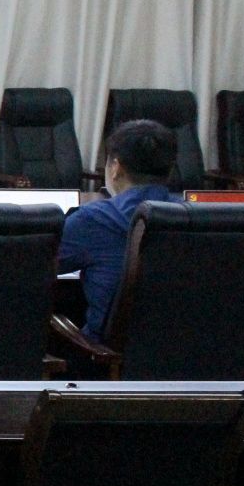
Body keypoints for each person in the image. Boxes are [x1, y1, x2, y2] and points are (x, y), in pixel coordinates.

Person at [58, 118, 177, 342]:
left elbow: (37, 265)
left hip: (105, 357)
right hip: (185, 354)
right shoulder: (195, 219)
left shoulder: (92, 220)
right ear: (170, 170)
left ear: (115, 168)